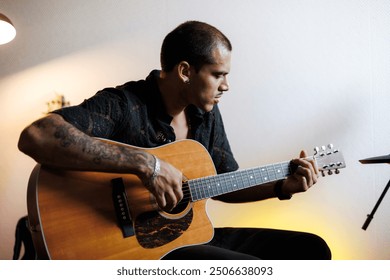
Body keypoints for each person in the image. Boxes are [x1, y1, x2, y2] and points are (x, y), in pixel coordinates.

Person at [18, 20, 331, 260]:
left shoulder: (205, 114)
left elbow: (223, 183)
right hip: (137, 251)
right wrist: (147, 164)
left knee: (311, 250)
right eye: (218, 74)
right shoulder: (125, 103)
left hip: (184, 237)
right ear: (185, 71)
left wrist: (282, 186)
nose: (226, 86)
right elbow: (37, 136)